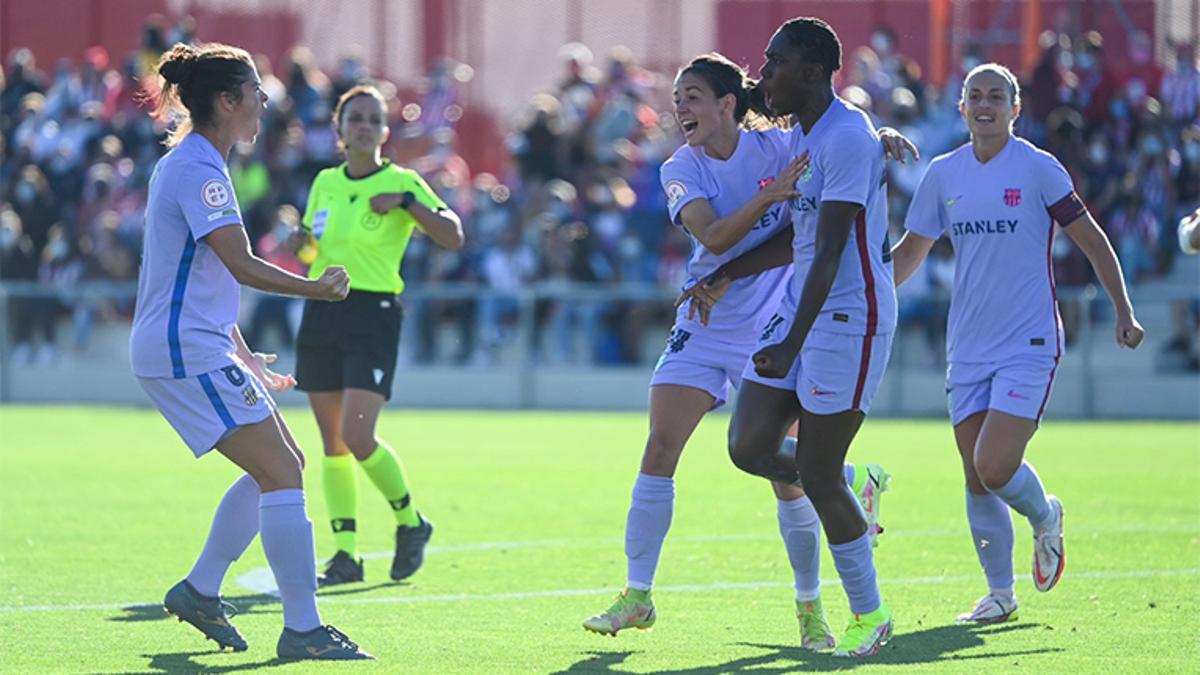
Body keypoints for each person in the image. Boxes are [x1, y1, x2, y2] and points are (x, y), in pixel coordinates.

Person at [581, 52, 908, 647]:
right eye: (677, 98)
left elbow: (834, 149)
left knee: (783, 475)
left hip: (775, 319)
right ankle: (637, 596)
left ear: (728, 104)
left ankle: (811, 611)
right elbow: (714, 235)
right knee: (660, 443)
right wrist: (769, 197)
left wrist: (875, 135)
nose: (680, 107)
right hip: (707, 316)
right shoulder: (682, 166)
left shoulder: (780, 146)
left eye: (693, 96)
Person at [129, 42, 371, 660]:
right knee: (282, 471)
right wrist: (314, 286)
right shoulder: (197, 168)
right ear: (227, 100)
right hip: (185, 350)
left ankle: (202, 590)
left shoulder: (199, 163)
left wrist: (242, 351)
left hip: (197, 344)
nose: (265, 100)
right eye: (255, 91)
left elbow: (204, 274)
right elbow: (238, 261)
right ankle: (303, 630)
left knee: (281, 464)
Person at [891, 63, 1145, 624]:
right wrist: (864, 292)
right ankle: (1000, 594)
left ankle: (1045, 513)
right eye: (974, 96)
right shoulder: (942, 174)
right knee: (974, 472)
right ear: (961, 108)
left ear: (1015, 107)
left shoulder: (1038, 169)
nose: (985, 104)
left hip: (1029, 339)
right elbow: (912, 250)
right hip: (967, 342)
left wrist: (1124, 310)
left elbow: (1092, 240)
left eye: (996, 96)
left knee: (995, 463)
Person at [697, 18, 898, 657]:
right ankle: (855, 480)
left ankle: (871, 615)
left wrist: (790, 341)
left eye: (775, 61)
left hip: (850, 317)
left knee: (814, 469)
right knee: (748, 444)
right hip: (803, 308)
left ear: (812, 71)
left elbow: (833, 250)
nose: (764, 73)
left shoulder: (844, 138)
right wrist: (730, 270)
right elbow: (802, 237)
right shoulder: (809, 132)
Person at [293, 84, 465, 586]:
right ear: (340, 130)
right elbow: (312, 252)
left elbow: (453, 236)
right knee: (332, 441)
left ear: (385, 132)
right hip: (324, 307)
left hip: (373, 313)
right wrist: (299, 243)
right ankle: (345, 554)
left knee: (358, 433)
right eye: (355, 118)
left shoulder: (402, 182)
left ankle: (411, 522)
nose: (364, 126)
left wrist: (410, 204)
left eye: (373, 118)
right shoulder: (324, 181)